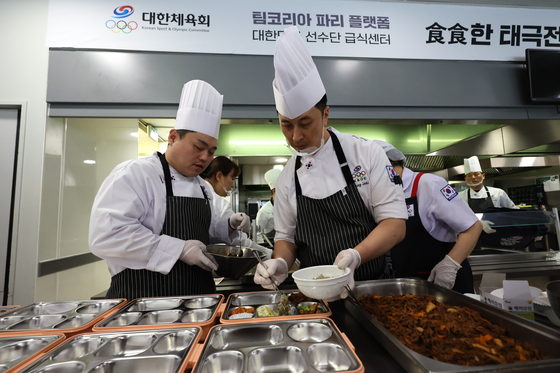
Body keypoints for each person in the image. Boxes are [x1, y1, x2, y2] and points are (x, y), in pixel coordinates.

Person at [253, 26, 408, 300]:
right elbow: (286, 239)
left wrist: (356, 256)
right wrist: (279, 262)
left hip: (371, 291)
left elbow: (395, 225)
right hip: (316, 299)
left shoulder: (365, 153)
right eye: (286, 125)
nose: (296, 136)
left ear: (325, 115)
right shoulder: (288, 176)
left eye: (305, 123)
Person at [89, 80, 250, 300]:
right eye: (198, 147)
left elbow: (206, 231)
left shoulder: (203, 187)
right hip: (142, 303)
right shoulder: (137, 174)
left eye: (211, 151)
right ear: (173, 137)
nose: (205, 158)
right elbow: (107, 235)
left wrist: (229, 225)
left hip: (199, 303)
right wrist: (178, 249)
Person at [377, 141, 482, 293]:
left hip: (444, 283)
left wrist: (450, 265)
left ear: (387, 163)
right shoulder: (383, 192)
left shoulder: (429, 184)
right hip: (408, 282)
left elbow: (473, 227)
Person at [202, 156, 272, 258]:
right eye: (232, 178)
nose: (232, 184)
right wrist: (269, 254)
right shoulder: (219, 202)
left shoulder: (197, 190)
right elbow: (239, 241)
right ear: (219, 176)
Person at [459, 156, 518, 234]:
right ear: (465, 179)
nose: (473, 177)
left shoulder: (498, 193)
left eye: (476, 174)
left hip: (496, 231)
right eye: (469, 175)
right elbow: (458, 216)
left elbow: (514, 211)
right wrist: (479, 223)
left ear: (483, 176)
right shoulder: (460, 196)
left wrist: (531, 229)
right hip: (471, 234)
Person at [256, 168, 282, 247]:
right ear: (274, 191)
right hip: (269, 245)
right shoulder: (264, 211)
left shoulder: (287, 207)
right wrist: (266, 251)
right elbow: (258, 234)